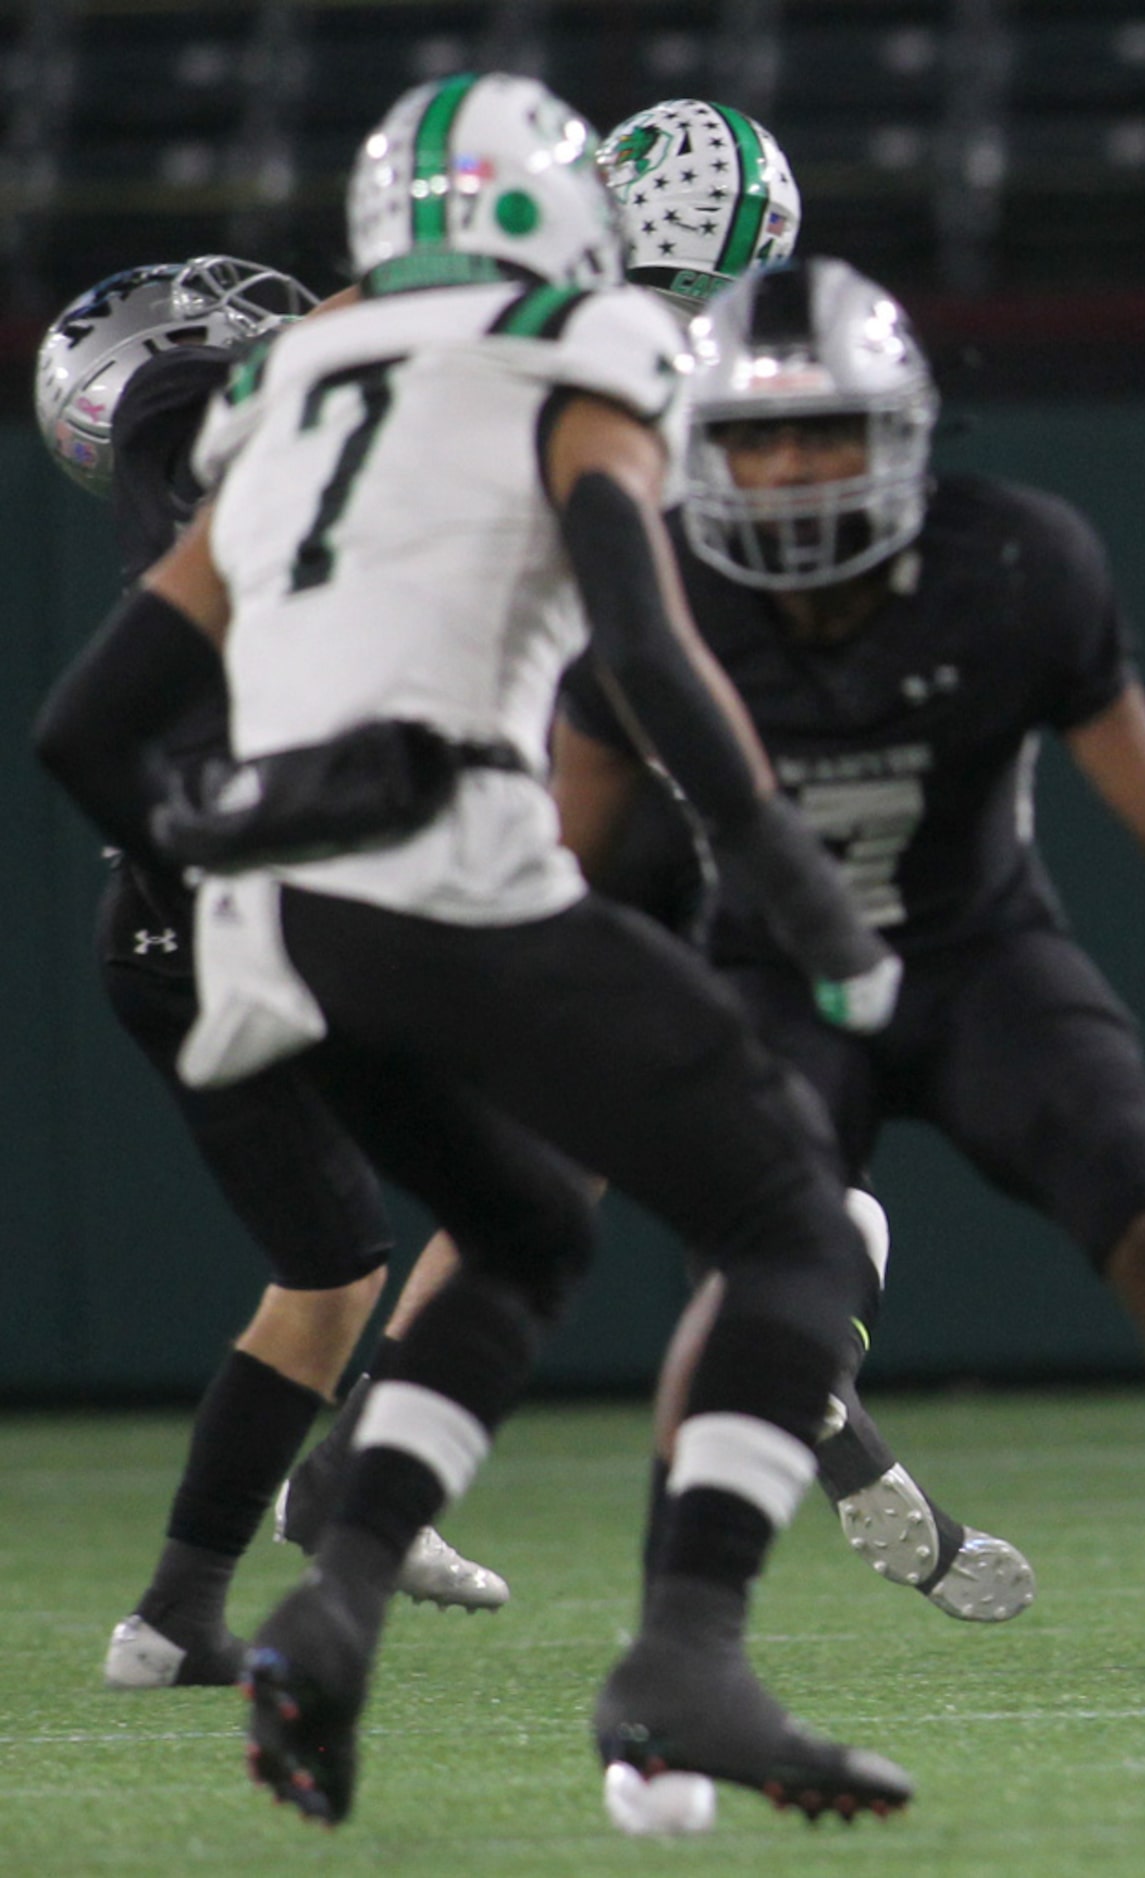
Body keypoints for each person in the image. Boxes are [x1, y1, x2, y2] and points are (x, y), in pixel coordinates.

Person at [33, 73, 916, 1825]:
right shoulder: (598, 350)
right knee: (795, 1215)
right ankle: (687, 1655)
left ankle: (335, 1594)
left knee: (514, 1227)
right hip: (457, 876)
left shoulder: (278, 391)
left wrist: (219, 834)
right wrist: (790, 876)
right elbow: (652, 652)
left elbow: (85, 728)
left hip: (271, 930)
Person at [546, 255, 1145, 1811]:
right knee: (748, 1286)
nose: (792, 473)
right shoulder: (653, 592)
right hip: (770, 978)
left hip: (976, 953)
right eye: (760, 442)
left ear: (907, 434)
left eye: (827, 435)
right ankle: (679, 1667)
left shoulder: (1015, 562)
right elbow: (564, 863)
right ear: (701, 451)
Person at [267, 93, 1038, 1628]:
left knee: (562, 1161)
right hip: (621, 770)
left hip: (429, 756)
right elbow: (690, 627)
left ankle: (359, 1467)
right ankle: (805, 1408)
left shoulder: (476, 320)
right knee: (786, 1153)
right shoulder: (662, 374)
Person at [32, 255, 508, 1694]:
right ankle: (374, 1471)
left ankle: (175, 1615)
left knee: (329, 1273)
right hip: (267, 901)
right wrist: (427, 268)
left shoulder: (252, 473)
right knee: (536, 1167)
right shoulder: (193, 399)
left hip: (183, 919)